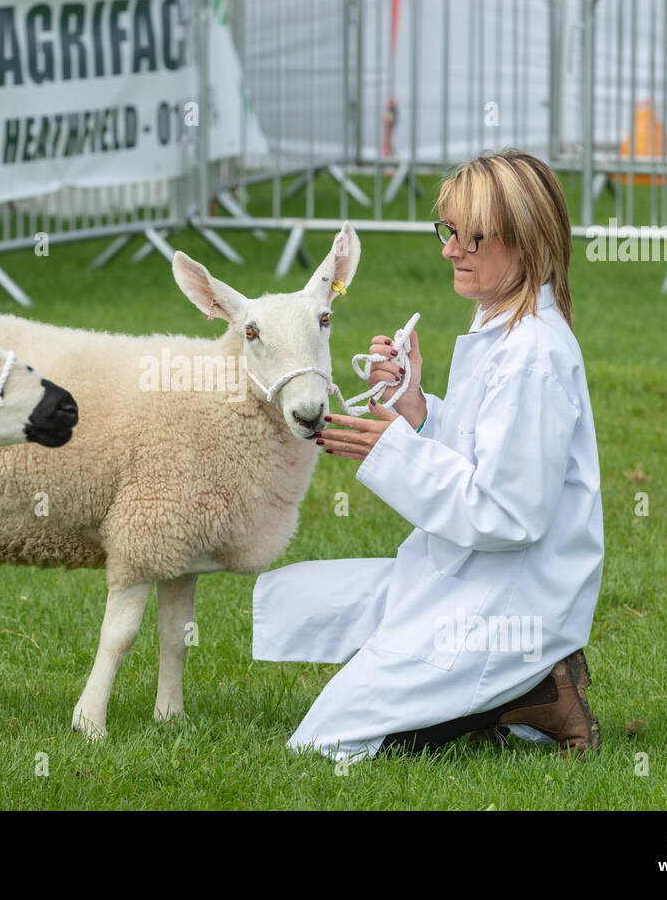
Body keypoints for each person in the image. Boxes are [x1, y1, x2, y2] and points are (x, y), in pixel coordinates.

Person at [252, 149, 604, 762]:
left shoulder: (534, 355)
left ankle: (527, 688)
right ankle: (524, 690)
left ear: (524, 242)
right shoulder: (503, 326)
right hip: (477, 577)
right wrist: (416, 411)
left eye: (471, 236)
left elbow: (509, 514)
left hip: (513, 599)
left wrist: (390, 451)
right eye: (447, 231)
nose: (449, 249)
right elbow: (481, 453)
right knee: (314, 601)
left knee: (325, 744)